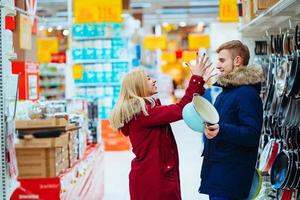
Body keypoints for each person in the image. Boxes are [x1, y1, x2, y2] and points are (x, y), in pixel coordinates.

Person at [109, 53, 215, 200]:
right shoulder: (144, 113)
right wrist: (196, 79)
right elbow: (181, 109)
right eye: (147, 79)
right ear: (138, 87)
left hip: (150, 176)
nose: (153, 81)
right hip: (155, 181)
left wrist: (200, 82)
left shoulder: (144, 112)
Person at [198, 40, 264, 200]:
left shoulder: (246, 93)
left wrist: (221, 129)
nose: (218, 65)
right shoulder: (226, 92)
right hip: (219, 173)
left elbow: (251, 134)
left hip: (231, 178)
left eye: (222, 60)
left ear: (237, 61)